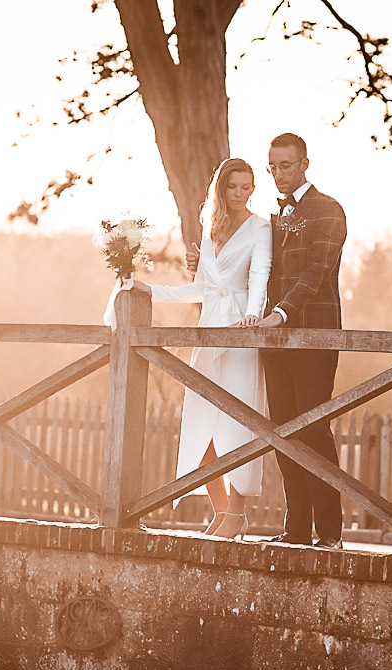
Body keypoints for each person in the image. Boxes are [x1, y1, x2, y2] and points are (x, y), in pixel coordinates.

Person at [192, 133, 346, 547]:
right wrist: (208, 265)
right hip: (272, 340)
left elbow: (316, 273)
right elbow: (253, 269)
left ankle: (330, 534)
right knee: (283, 431)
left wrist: (281, 313)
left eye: (287, 166)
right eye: (273, 167)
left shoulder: (328, 210)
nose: (279, 174)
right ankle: (296, 531)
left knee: (313, 429)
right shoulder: (273, 220)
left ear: (305, 164)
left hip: (313, 334)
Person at [124, 158, 271, 540]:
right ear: (221, 189)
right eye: (233, 187)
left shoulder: (261, 227)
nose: (240, 194)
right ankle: (221, 510)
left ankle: (237, 514)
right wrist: (150, 290)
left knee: (239, 419)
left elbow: (260, 275)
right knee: (200, 422)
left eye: (247, 186)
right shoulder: (211, 229)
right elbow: (200, 288)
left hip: (241, 329)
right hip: (209, 328)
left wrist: (253, 316)